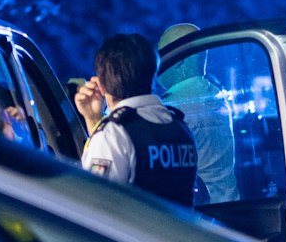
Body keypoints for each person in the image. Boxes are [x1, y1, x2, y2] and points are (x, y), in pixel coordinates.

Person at [74, 33, 200, 206]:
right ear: (152, 75)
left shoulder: (114, 134)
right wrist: (93, 119)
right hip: (177, 233)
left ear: (101, 85)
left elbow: (94, 206)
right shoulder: (180, 127)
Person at [158, 22, 239, 205]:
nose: (158, 62)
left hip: (200, 214)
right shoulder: (215, 95)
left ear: (177, 60)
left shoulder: (174, 105)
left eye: (162, 54)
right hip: (230, 204)